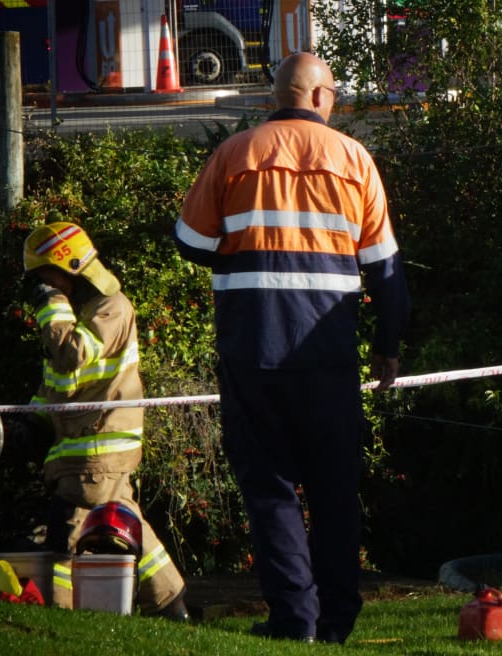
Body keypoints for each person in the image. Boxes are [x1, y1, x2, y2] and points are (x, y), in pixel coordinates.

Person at [173, 52, 410, 644]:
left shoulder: (235, 154)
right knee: (335, 492)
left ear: (278, 95)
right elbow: (386, 273)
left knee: (270, 489)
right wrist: (388, 345)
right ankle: (335, 621)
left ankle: (293, 619)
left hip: (252, 350)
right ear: (319, 97)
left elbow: (192, 243)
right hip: (327, 357)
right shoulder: (356, 160)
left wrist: (249, 246)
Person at [20, 221, 189, 620]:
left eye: (46, 276)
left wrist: (53, 306)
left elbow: (71, 355)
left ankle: (66, 610)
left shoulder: (111, 309)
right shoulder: (85, 311)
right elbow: (62, 384)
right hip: (83, 446)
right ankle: (168, 604)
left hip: (97, 446)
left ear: (70, 266)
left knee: (72, 528)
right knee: (108, 523)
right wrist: (28, 419)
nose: (43, 287)